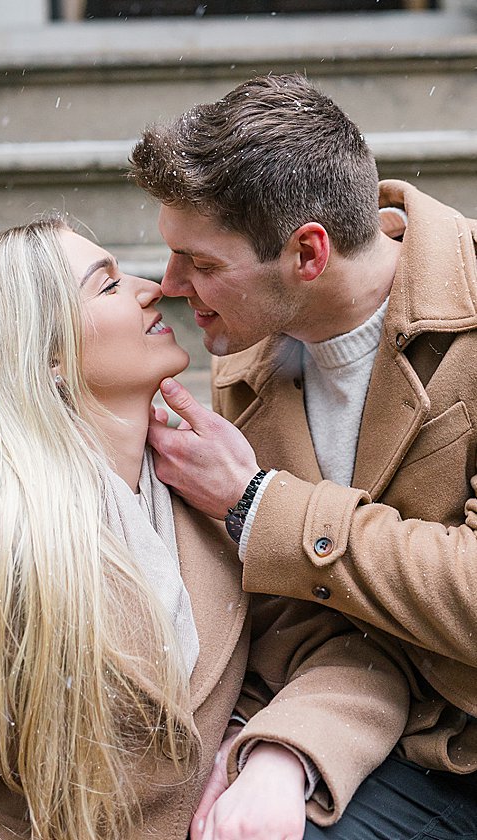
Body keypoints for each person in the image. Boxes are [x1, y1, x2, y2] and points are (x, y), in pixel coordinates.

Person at [0, 218, 410, 840]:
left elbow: (350, 657)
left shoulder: (210, 499)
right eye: (108, 286)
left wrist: (279, 758)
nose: (152, 288)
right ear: (49, 358)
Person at [131, 72, 477, 836]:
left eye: (203, 263)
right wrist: (274, 750)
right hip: (361, 732)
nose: (173, 287)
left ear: (308, 253)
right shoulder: (244, 358)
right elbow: (285, 617)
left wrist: (259, 507)